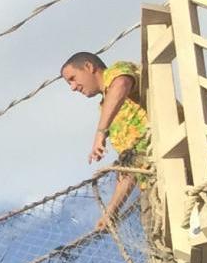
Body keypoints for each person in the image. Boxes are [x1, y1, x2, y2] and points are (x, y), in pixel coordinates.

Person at [62, 50, 150, 231]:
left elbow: (122, 83)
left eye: (72, 78)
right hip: (151, 184)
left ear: (89, 66)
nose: (72, 87)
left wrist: (100, 133)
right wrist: (111, 211)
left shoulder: (117, 71)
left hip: (170, 160)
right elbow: (130, 166)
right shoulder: (106, 109)